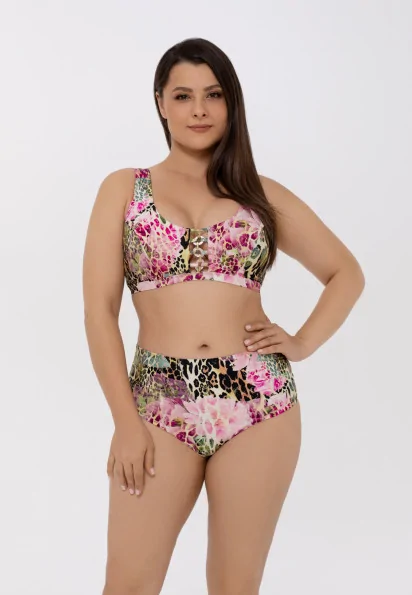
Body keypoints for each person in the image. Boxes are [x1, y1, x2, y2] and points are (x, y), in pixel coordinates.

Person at [82, 37, 365, 595]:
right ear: (161, 103)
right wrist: (125, 423)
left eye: (213, 95)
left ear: (231, 103)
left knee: (236, 586)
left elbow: (346, 273)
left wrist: (302, 342)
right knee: (128, 584)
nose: (199, 110)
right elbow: (99, 312)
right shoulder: (124, 188)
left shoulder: (259, 193)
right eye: (183, 96)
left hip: (259, 400)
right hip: (160, 398)